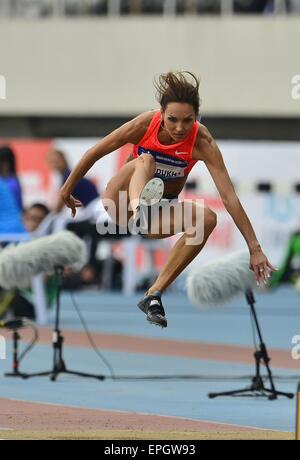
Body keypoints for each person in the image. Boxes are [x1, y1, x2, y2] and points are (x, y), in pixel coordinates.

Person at [60, 71, 275, 328]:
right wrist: (66, 189)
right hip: (120, 203)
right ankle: (139, 203)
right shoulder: (144, 125)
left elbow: (229, 198)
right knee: (146, 160)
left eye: (188, 121)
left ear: (197, 117)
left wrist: (255, 248)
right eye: (172, 119)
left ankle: (154, 294)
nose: (179, 128)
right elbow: (94, 152)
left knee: (207, 218)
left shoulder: (202, 141)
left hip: (157, 214)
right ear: (161, 114)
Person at [47, 148, 99, 214]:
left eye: (57, 161)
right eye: (52, 162)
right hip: (92, 208)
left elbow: (58, 208)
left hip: (94, 208)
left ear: (64, 160)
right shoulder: (68, 175)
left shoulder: (68, 177)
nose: (55, 164)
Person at [0, 145, 23, 211]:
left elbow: (19, 204)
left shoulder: (14, 182)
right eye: (2, 162)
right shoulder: (14, 181)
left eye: (6, 162)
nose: (4, 165)